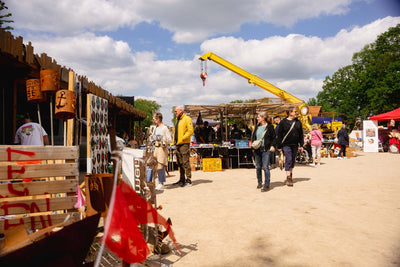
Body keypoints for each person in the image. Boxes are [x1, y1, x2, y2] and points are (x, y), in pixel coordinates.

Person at [277, 108, 304, 187]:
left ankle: (290, 174)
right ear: (290, 113)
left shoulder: (298, 122)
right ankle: (288, 177)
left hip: (295, 144)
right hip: (286, 144)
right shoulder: (283, 122)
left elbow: (301, 134)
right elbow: (280, 135)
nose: (296, 113)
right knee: (288, 158)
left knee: (292, 160)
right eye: (295, 111)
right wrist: (279, 146)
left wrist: (301, 145)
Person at [251, 112, 276, 192]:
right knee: (258, 166)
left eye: (258, 117)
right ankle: (259, 182)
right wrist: (253, 146)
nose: (257, 119)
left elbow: (274, 138)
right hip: (257, 149)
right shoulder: (256, 127)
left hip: (266, 149)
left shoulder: (270, 127)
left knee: (265, 167)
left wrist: (272, 146)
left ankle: (267, 184)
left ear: (263, 118)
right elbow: (253, 137)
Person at [146, 113, 172, 190]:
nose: (153, 121)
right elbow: (151, 138)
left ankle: (161, 182)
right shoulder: (155, 128)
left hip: (161, 149)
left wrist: (162, 139)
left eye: (154, 119)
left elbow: (170, 139)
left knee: (160, 165)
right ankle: (149, 182)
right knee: (150, 165)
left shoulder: (165, 128)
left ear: (158, 119)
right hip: (155, 149)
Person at [172, 106, 194, 187]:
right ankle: (182, 179)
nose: (175, 113)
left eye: (176, 111)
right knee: (179, 163)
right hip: (177, 144)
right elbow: (175, 132)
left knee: (185, 162)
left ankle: (189, 180)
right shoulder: (178, 120)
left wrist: (182, 138)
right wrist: (174, 141)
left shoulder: (187, 118)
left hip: (184, 144)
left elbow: (190, 131)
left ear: (181, 111)